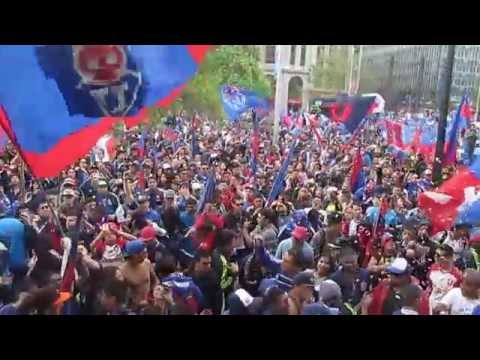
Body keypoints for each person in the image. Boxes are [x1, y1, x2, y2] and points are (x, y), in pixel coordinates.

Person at [330, 246, 370, 315]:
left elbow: (367, 293)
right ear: (340, 260)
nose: (350, 265)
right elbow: (334, 299)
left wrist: (359, 307)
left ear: (357, 258)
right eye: (347, 262)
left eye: (352, 262)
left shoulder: (365, 274)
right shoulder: (335, 277)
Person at [119, 240, 157, 309]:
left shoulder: (147, 263)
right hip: (134, 306)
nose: (146, 255)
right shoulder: (122, 271)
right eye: (143, 253)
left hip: (150, 303)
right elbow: (121, 293)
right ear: (135, 255)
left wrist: (153, 294)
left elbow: (154, 280)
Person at [427, 244, 463, 314]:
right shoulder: (433, 268)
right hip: (432, 306)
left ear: (449, 257)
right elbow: (430, 284)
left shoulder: (457, 275)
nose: (436, 257)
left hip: (446, 309)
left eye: (438, 255)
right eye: (436, 255)